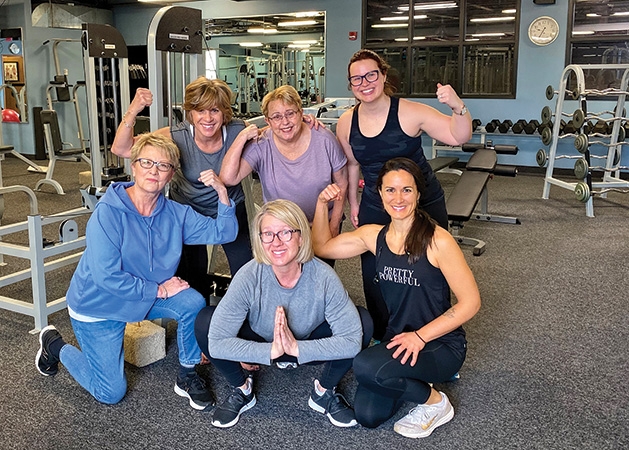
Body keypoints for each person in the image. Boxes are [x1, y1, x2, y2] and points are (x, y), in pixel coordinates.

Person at [35, 133, 238, 410]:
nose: (154, 171)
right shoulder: (108, 213)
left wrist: (223, 193)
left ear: (171, 175)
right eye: (146, 162)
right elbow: (107, 277)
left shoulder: (176, 214)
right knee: (110, 393)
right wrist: (160, 290)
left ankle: (187, 375)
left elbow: (224, 231)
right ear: (133, 165)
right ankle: (54, 345)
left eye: (163, 166)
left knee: (192, 301)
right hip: (99, 305)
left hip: (144, 294)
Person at [312, 157, 481, 438]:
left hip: (440, 344)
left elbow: (471, 302)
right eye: (390, 190)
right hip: (398, 339)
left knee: (365, 366)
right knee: (368, 415)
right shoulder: (373, 237)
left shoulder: (438, 241)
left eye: (406, 190)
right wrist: (321, 205)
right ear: (380, 193)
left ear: (417, 193)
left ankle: (436, 403)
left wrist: (420, 337)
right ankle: (413, 376)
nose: (398, 198)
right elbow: (322, 247)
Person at [194, 199, 373, 429]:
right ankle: (242, 389)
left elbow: (351, 341)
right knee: (205, 322)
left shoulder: (324, 276)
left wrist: (297, 349)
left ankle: (324, 391)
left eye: (285, 232)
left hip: (306, 341)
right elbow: (217, 343)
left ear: (301, 236)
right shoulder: (249, 275)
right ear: (260, 240)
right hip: (263, 339)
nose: (276, 242)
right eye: (267, 234)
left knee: (363, 323)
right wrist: (270, 350)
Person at [336, 49, 473, 340]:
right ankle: (383, 335)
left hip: (422, 202)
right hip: (378, 204)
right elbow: (352, 164)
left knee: (429, 272)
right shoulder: (347, 122)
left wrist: (458, 107)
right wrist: (354, 202)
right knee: (376, 273)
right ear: (350, 85)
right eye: (357, 79)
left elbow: (459, 136)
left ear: (384, 75)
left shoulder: (411, 112)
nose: (365, 82)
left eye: (371, 74)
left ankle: (436, 337)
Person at [110, 77, 252, 298]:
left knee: (245, 271)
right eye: (200, 111)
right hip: (187, 210)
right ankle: (198, 321)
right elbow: (121, 149)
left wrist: (310, 125)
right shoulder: (177, 135)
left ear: (224, 112)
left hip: (228, 207)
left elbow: (277, 136)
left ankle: (243, 322)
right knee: (192, 276)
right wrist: (133, 109)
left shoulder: (236, 130)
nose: (207, 118)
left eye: (214, 110)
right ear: (190, 113)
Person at [218, 85, 348, 238]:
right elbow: (227, 178)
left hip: (322, 224)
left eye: (290, 113)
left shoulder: (324, 139)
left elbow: (342, 183)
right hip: (281, 230)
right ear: (268, 120)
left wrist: (333, 227)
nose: (285, 122)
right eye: (277, 117)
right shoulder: (261, 144)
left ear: (301, 113)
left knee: (320, 263)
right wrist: (241, 137)